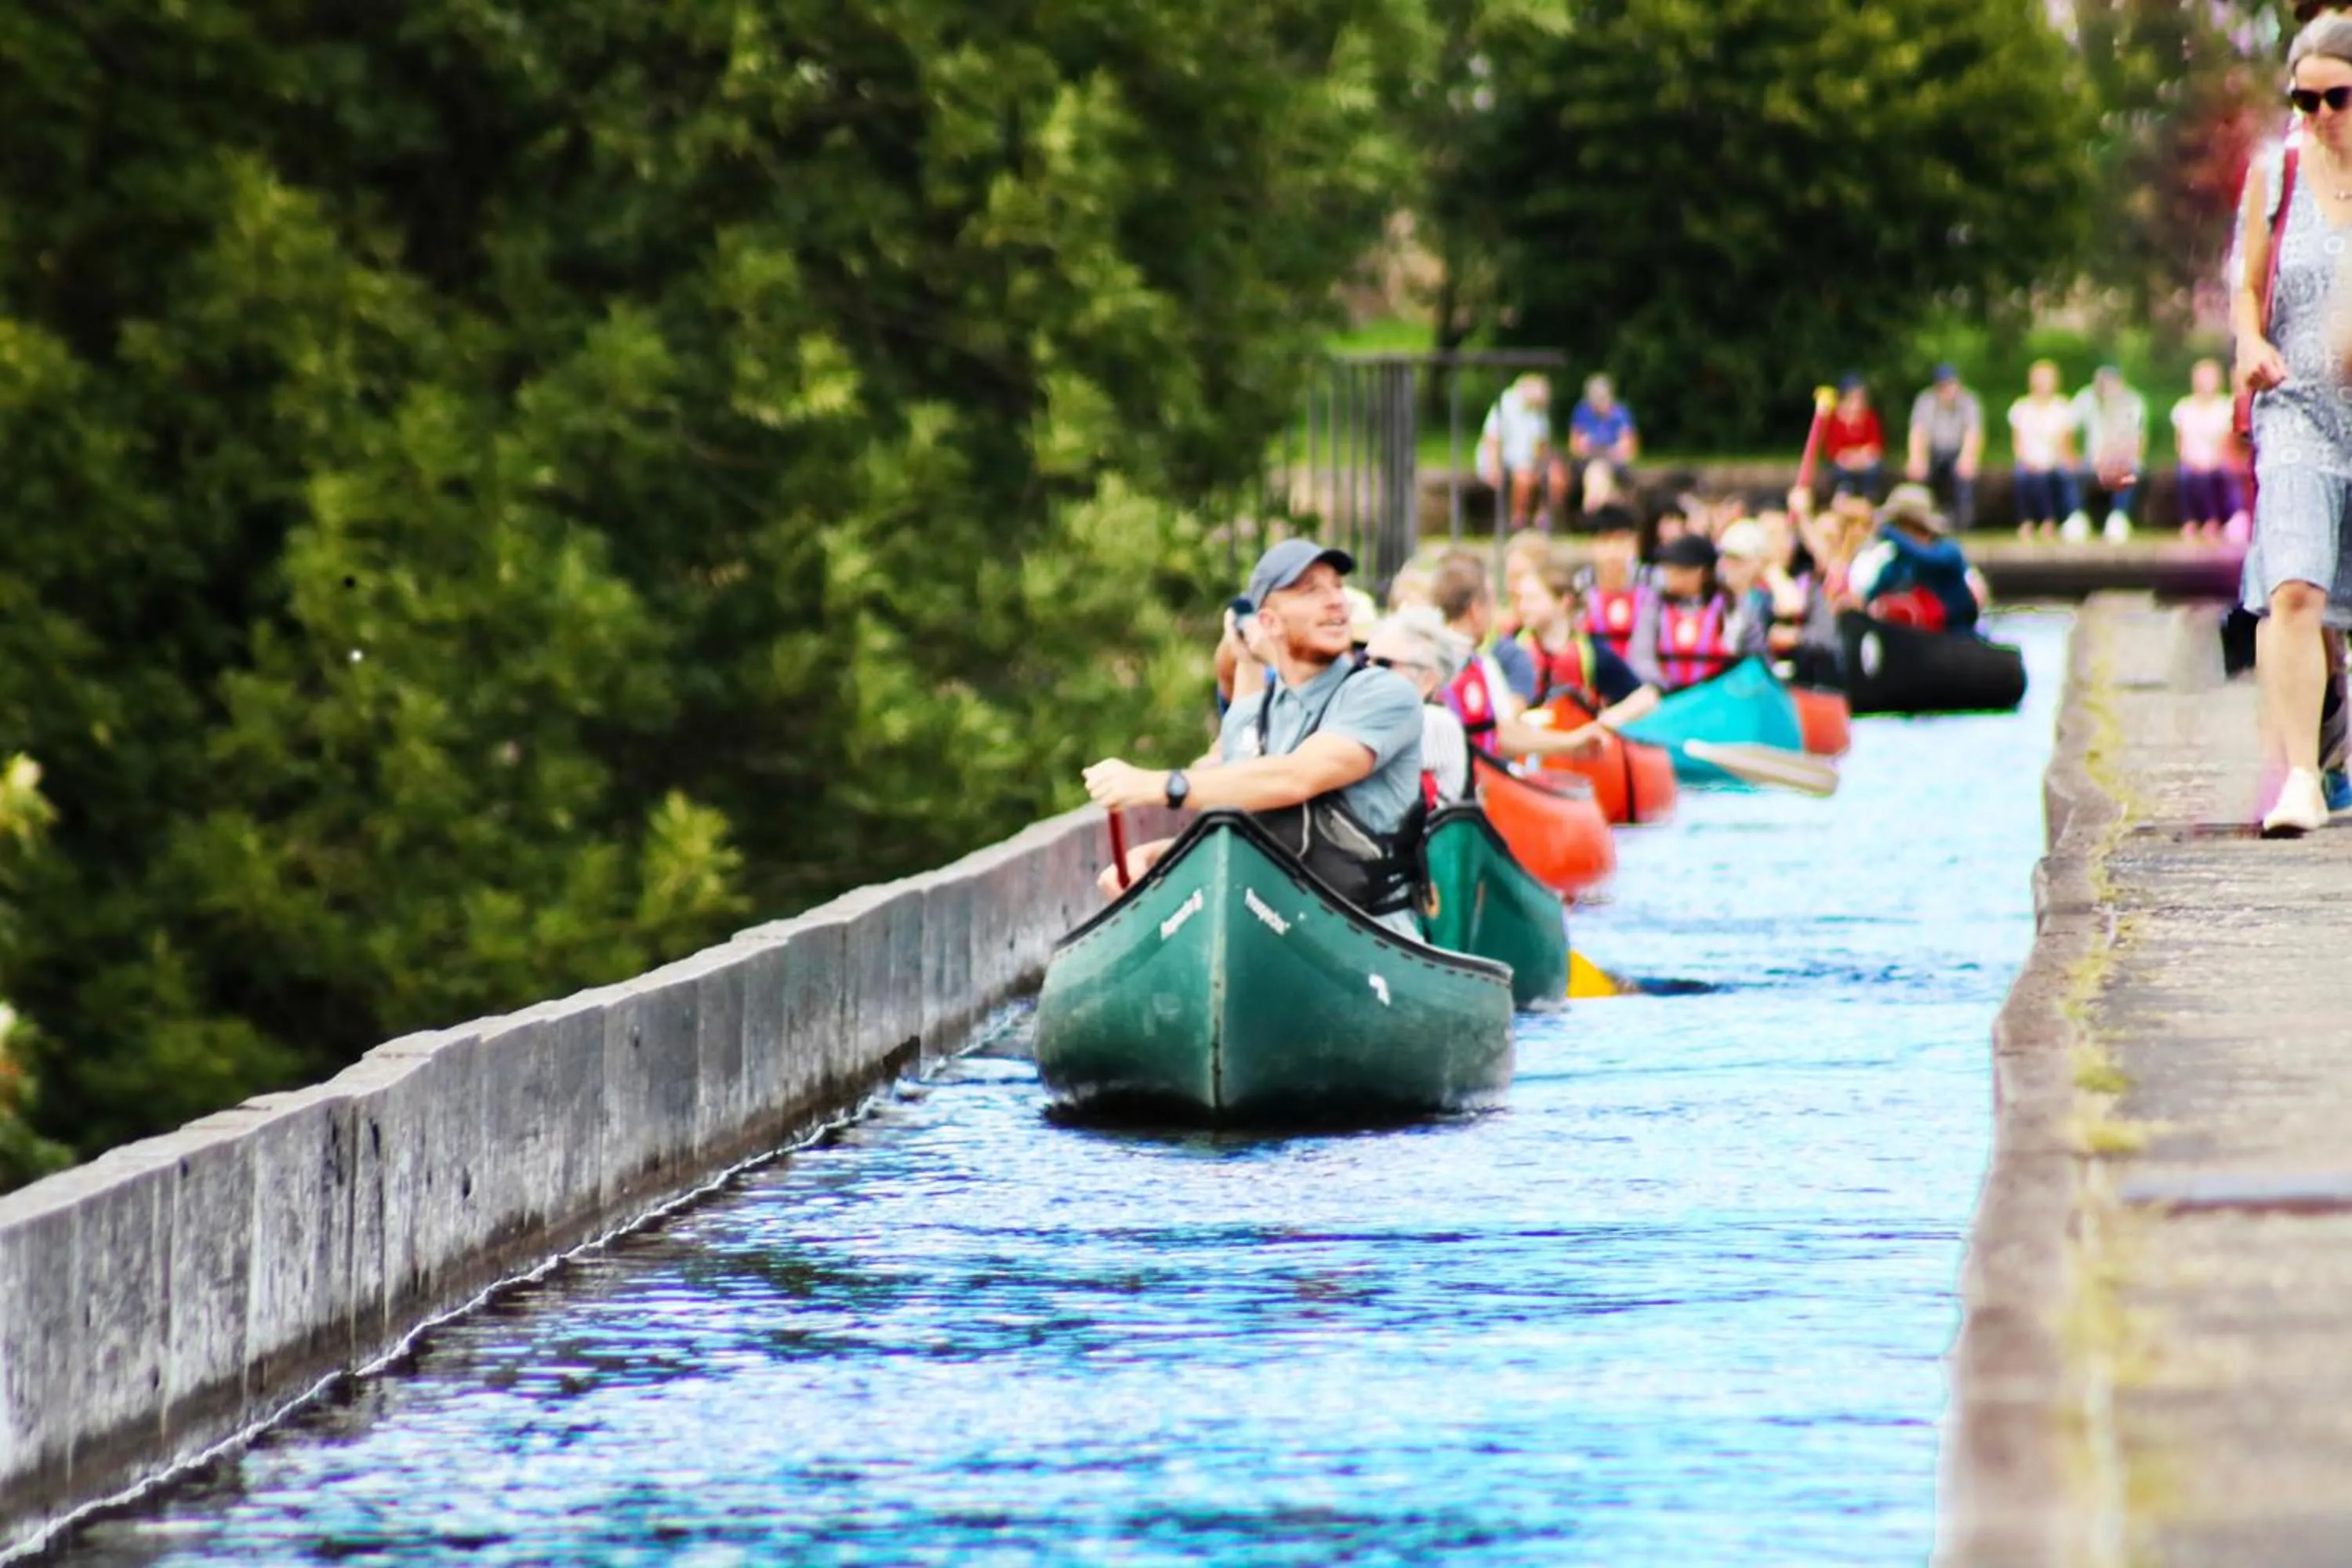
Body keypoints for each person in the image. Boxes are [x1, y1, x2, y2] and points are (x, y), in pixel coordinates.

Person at [1083, 539, 1425, 926]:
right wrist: (1159, 859)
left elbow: (1298, 777)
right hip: (1274, 925)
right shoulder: (1247, 715)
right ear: (1269, 623)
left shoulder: (1383, 693)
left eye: (1337, 587)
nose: (1335, 601)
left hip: (1369, 932)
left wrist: (1164, 785)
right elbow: (1246, 832)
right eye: (1311, 590)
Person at [2234, 16, 2352, 834]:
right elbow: (2245, 286)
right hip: (2297, 411)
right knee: (2296, 588)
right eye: (2302, 98)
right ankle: (2300, 782)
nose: (2317, 114)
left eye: (2336, 97)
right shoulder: (2272, 176)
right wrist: (2249, 342)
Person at [1512, 551, 1661, 750]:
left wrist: (1608, 719)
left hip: (1579, 755)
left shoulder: (1591, 652)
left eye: (1533, 599)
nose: (1523, 607)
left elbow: (1647, 697)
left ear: (1564, 601)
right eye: (1521, 599)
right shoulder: (1512, 650)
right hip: (1531, 751)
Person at [1626, 534, 1765, 691]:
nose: (1669, 574)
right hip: (1666, 699)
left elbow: (1753, 660)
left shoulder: (1733, 608)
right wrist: (1666, 688)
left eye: (1678, 569)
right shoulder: (1655, 607)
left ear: (1701, 572)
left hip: (1721, 699)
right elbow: (1641, 657)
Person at [1363, 608, 1474, 804]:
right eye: (1365, 662)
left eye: (1383, 664)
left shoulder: (1439, 722)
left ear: (1428, 680)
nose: (1368, 673)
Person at [1846, 482, 1982, 635]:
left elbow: (1927, 559)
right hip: (1922, 642)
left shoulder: (1948, 552)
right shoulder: (1898, 563)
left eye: (1901, 527)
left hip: (1957, 638)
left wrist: (1884, 530)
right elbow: (1873, 594)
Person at [1475, 372, 1567, 532]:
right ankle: (1518, 521)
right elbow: (1492, 440)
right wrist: (1493, 467)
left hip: (1529, 460)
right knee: (1523, 478)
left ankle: (1543, 518)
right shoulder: (1506, 404)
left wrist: (1545, 465)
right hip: (1505, 459)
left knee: (1557, 477)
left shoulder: (1539, 410)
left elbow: (1542, 444)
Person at [2007, 360, 2082, 539]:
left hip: (2053, 460)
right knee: (2023, 475)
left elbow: (2066, 445)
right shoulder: (2021, 407)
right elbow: (2017, 444)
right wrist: (2027, 461)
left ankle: (2051, 521)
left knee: (2054, 474)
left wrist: (2054, 461)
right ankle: (2026, 521)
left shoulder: (2062, 407)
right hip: (2029, 460)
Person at [2170, 358, 2243, 543]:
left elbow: (2226, 443)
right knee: (2185, 475)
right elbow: (2180, 442)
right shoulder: (2184, 407)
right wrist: (2189, 459)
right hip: (2191, 459)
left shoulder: (2226, 407)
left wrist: (2212, 461)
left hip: (2217, 459)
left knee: (2216, 474)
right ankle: (2189, 521)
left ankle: (2214, 520)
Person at [2073, 365, 2148, 543]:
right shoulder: (2085, 398)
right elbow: (2067, 429)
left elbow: (2138, 441)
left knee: (2131, 469)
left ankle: (2119, 518)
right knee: (2069, 469)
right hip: (2092, 462)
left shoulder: (2134, 402)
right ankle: (2077, 517)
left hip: (2123, 461)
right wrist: (2072, 456)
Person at [1905, 364, 1984, 530]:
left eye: (1953, 384)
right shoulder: (1925, 401)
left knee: (1964, 475)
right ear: (1937, 387)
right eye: (1945, 386)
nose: (1950, 390)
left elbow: (1974, 433)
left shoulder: (1969, 401)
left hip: (1958, 451)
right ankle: (1921, 522)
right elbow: (1918, 432)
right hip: (1933, 451)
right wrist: (1916, 459)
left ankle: (1964, 525)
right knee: (1920, 476)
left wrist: (1968, 458)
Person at [1577, 503, 1647, 659]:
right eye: (1604, 542)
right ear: (1591, 545)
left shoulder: (1651, 584)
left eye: (1620, 541)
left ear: (1635, 543)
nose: (1613, 551)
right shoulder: (1578, 587)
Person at [1567, 374, 1640, 514]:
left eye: (1603, 398)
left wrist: (1620, 450)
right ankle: (1598, 511)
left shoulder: (1621, 413)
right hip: (1588, 460)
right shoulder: (1582, 412)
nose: (1600, 403)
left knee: (1599, 471)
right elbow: (1574, 445)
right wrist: (1585, 447)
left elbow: (1631, 445)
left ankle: (1593, 510)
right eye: (1595, 400)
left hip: (1614, 461)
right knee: (1596, 470)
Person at [1821, 376, 1886, 500]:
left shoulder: (1870, 418)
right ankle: (1843, 498)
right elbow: (1833, 450)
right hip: (1843, 464)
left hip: (1865, 462)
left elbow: (1876, 446)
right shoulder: (1833, 419)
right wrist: (1855, 455)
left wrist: (1857, 456)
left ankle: (1869, 500)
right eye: (1854, 398)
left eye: (1862, 397)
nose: (1859, 402)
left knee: (1874, 470)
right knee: (1841, 474)